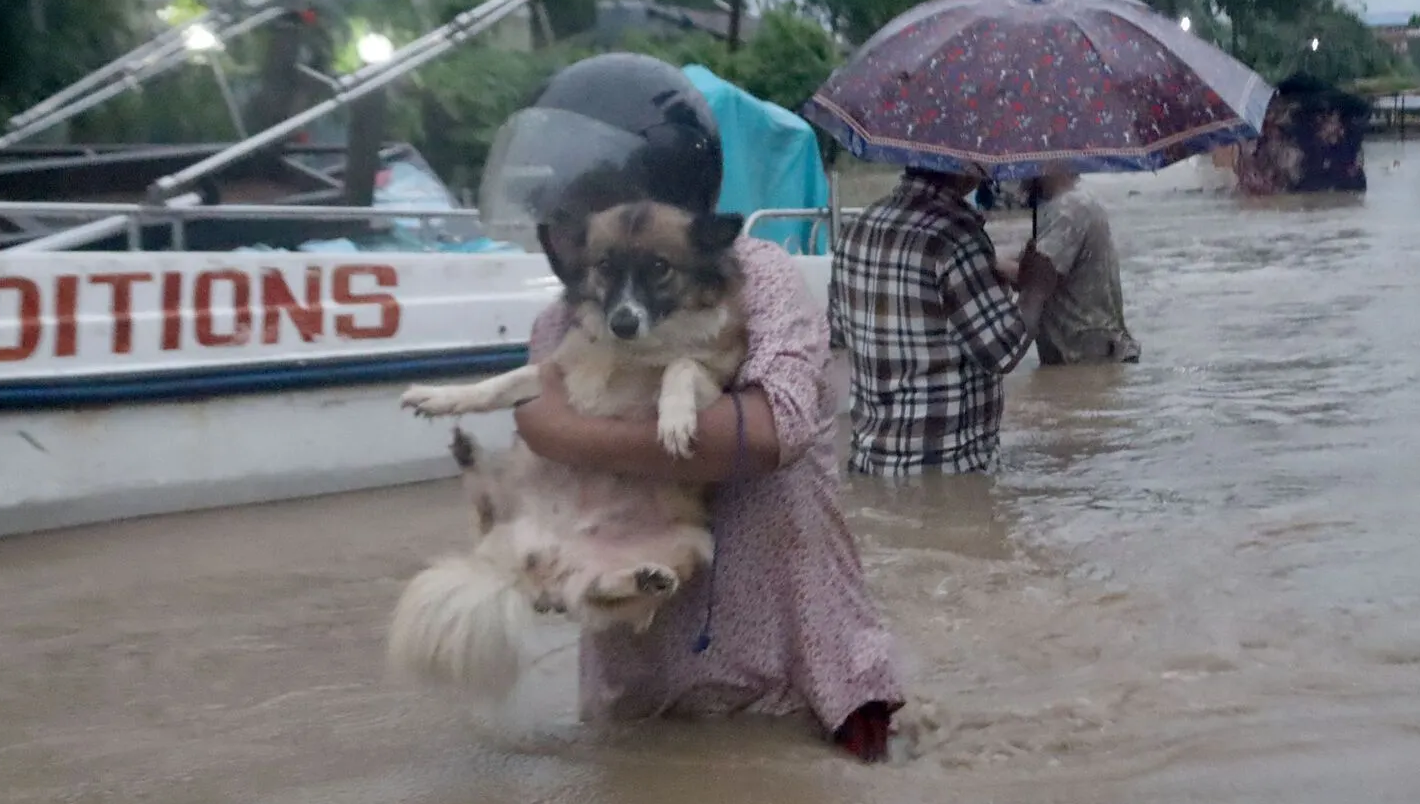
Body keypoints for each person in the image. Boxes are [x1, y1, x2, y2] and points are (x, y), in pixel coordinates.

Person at [481, 53, 904, 762]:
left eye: (573, 211)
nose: (556, 235)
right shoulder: (564, 320)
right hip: (644, 690)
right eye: (552, 217)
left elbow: (774, 431)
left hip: (797, 682)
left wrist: (561, 429)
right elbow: (552, 479)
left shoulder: (761, 275)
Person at [828, 166, 1054, 475]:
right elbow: (1004, 350)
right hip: (949, 468)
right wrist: (1036, 290)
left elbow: (839, 335)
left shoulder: (858, 228)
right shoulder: (957, 236)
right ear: (962, 165)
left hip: (871, 462)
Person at [1018, 168, 1141, 365]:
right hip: (1098, 352)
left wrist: (987, 264)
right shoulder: (1075, 202)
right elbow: (1031, 260)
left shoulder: (1068, 209)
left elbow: (1039, 277)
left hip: (1085, 358)